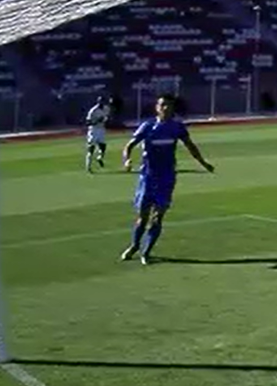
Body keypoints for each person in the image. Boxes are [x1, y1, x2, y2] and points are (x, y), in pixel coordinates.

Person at [119, 94, 214, 265]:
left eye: (168, 105)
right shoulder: (148, 126)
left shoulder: (177, 127)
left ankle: (146, 252)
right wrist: (126, 159)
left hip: (166, 177)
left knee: (158, 217)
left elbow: (190, 145)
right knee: (143, 216)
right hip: (147, 176)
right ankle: (134, 245)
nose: (165, 108)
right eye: (162, 105)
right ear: (157, 107)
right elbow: (129, 145)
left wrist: (203, 163)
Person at [84, 96, 111, 172]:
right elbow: (87, 122)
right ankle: (88, 166)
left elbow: (107, 117)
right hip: (94, 130)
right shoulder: (93, 111)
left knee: (103, 146)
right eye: (101, 102)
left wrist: (106, 121)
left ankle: (100, 157)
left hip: (102, 129)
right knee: (91, 148)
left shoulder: (106, 108)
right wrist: (96, 121)